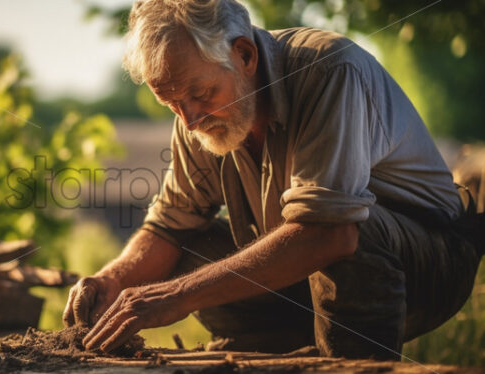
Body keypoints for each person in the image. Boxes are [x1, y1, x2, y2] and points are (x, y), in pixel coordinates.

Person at [63, 0, 483, 359]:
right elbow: (169, 225)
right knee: (190, 247)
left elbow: (329, 237)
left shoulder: (330, 71)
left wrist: (176, 296)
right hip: (307, 278)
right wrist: (112, 279)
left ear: (244, 56)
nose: (189, 120)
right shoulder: (195, 112)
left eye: (202, 94)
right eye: (171, 103)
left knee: (344, 223)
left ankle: (353, 362)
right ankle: (269, 352)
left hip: (431, 263)